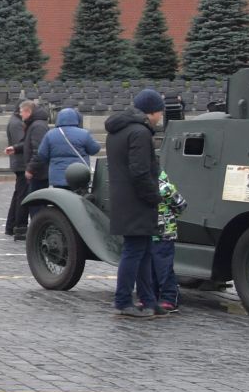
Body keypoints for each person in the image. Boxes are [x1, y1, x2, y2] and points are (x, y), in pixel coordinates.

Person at [103, 89, 166, 320]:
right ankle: (123, 301)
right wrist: (153, 196)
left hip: (124, 199)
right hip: (136, 201)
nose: (160, 117)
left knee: (144, 251)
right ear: (152, 111)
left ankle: (149, 301)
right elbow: (140, 172)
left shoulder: (119, 130)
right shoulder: (139, 132)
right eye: (160, 111)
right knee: (134, 252)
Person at [34, 107, 99, 188]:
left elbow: (42, 154)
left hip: (57, 177)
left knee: (60, 199)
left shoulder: (50, 134)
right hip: (79, 176)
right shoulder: (83, 133)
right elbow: (94, 149)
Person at [153, 167, 186, 316]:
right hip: (151, 233)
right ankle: (151, 296)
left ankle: (169, 298)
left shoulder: (164, 188)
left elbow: (181, 204)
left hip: (164, 234)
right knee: (151, 267)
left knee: (163, 267)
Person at [4, 100, 37, 238]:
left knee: (19, 194)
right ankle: (18, 225)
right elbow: (22, 143)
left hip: (20, 163)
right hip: (21, 163)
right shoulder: (16, 123)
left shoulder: (15, 121)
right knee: (21, 195)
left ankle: (11, 226)